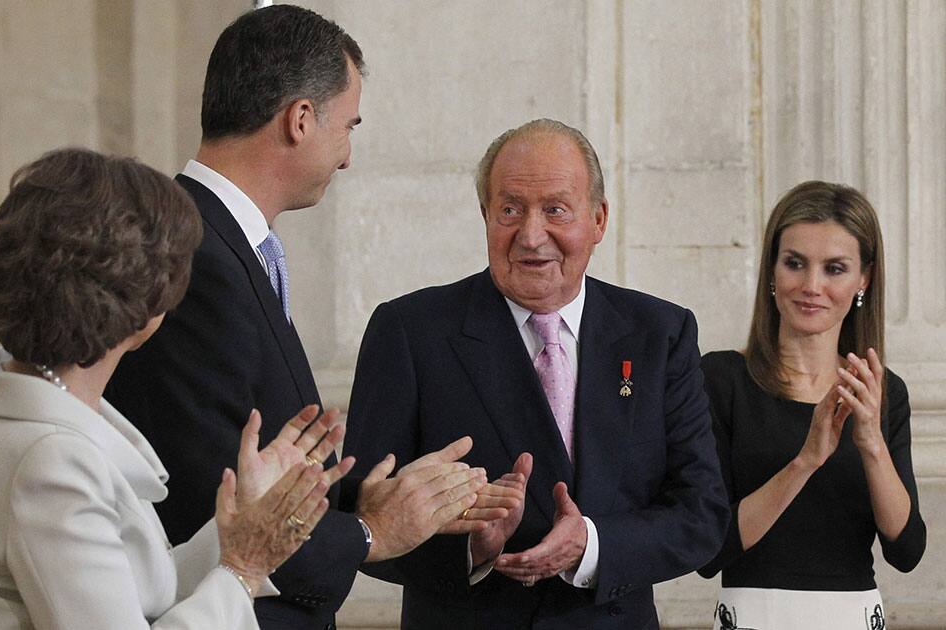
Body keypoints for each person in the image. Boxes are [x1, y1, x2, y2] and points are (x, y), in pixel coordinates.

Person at [105, 6, 513, 628]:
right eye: (347, 126)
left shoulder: (220, 240)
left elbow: (264, 458)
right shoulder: (195, 255)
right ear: (300, 119)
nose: (347, 156)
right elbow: (213, 498)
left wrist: (356, 502)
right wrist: (371, 531)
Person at [341, 118, 731, 629]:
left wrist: (592, 545)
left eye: (555, 210)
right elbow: (359, 517)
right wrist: (474, 549)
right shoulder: (412, 332)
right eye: (510, 210)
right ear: (484, 214)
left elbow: (702, 515)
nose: (530, 235)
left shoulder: (660, 333)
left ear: (598, 219)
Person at [0, 148, 353, 628]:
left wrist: (245, 522)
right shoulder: (51, 461)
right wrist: (243, 569)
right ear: (141, 303)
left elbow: (140, 587)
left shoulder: (41, 410)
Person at [697, 181, 927, 629]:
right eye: (795, 264)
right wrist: (806, 461)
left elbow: (907, 550)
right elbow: (711, 549)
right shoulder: (722, 380)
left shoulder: (883, 391)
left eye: (835, 268)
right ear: (772, 270)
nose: (811, 286)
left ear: (864, 279)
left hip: (854, 616)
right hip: (752, 616)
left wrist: (872, 442)